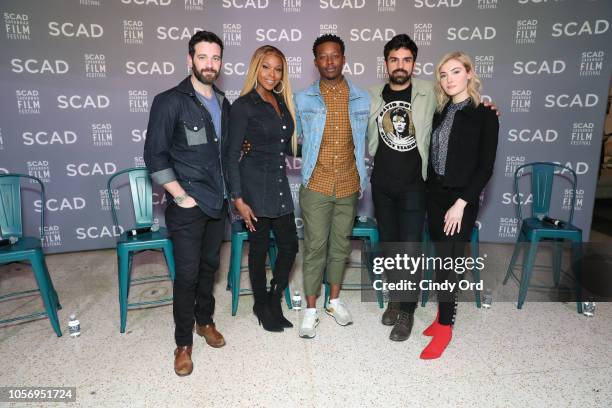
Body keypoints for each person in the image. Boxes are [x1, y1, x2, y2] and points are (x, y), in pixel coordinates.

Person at [144, 30, 230, 376]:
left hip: (218, 203)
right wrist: (181, 196)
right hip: (188, 206)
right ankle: (183, 343)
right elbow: (154, 156)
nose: (210, 64)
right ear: (189, 60)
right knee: (188, 276)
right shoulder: (170, 101)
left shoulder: (224, 102)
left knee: (209, 269)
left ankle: (204, 322)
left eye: (216, 58)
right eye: (203, 57)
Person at [422, 51, 498, 359]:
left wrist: (461, 204)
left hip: (460, 201)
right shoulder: (440, 111)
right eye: (443, 74)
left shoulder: (485, 115)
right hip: (436, 196)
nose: (449, 79)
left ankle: (445, 327)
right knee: (441, 259)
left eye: (455, 72)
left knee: (449, 263)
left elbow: (485, 167)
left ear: (469, 73)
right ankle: (442, 314)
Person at [294, 34, 370, 339]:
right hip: (316, 184)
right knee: (314, 248)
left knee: (340, 248)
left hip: (350, 184)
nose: (329, 61)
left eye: (335, 55)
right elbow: (292, 140)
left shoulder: (362, 97)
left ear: (343, 58)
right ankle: (311, 309)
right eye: (323, 57)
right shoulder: (302, 99)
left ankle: (333, 302)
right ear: (315, 62)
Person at [225, 45, 299, 333]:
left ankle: (273, 298)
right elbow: (231, 155)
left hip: (279, 185)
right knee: (257, 250)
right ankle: (260, 305)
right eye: (266, 67)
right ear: (256, 68)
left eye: (278, 68)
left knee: (290, 246)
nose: (272, 74)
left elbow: (285, 144)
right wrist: (238, 199)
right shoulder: (244, 106)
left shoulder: (281, 100)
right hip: (254, 187)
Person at [368, 34, 436, 342]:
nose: (400, 65)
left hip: (413, 186)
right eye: (394, 59)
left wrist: (488, 111)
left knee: (410, 249)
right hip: (382, 185)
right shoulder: (371, 95)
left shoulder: (428, 92)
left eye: (406, 59)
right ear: (386, 63)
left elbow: (460, 107)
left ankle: (407, 311)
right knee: (390, 247)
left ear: (413, 63)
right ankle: (396, 297)